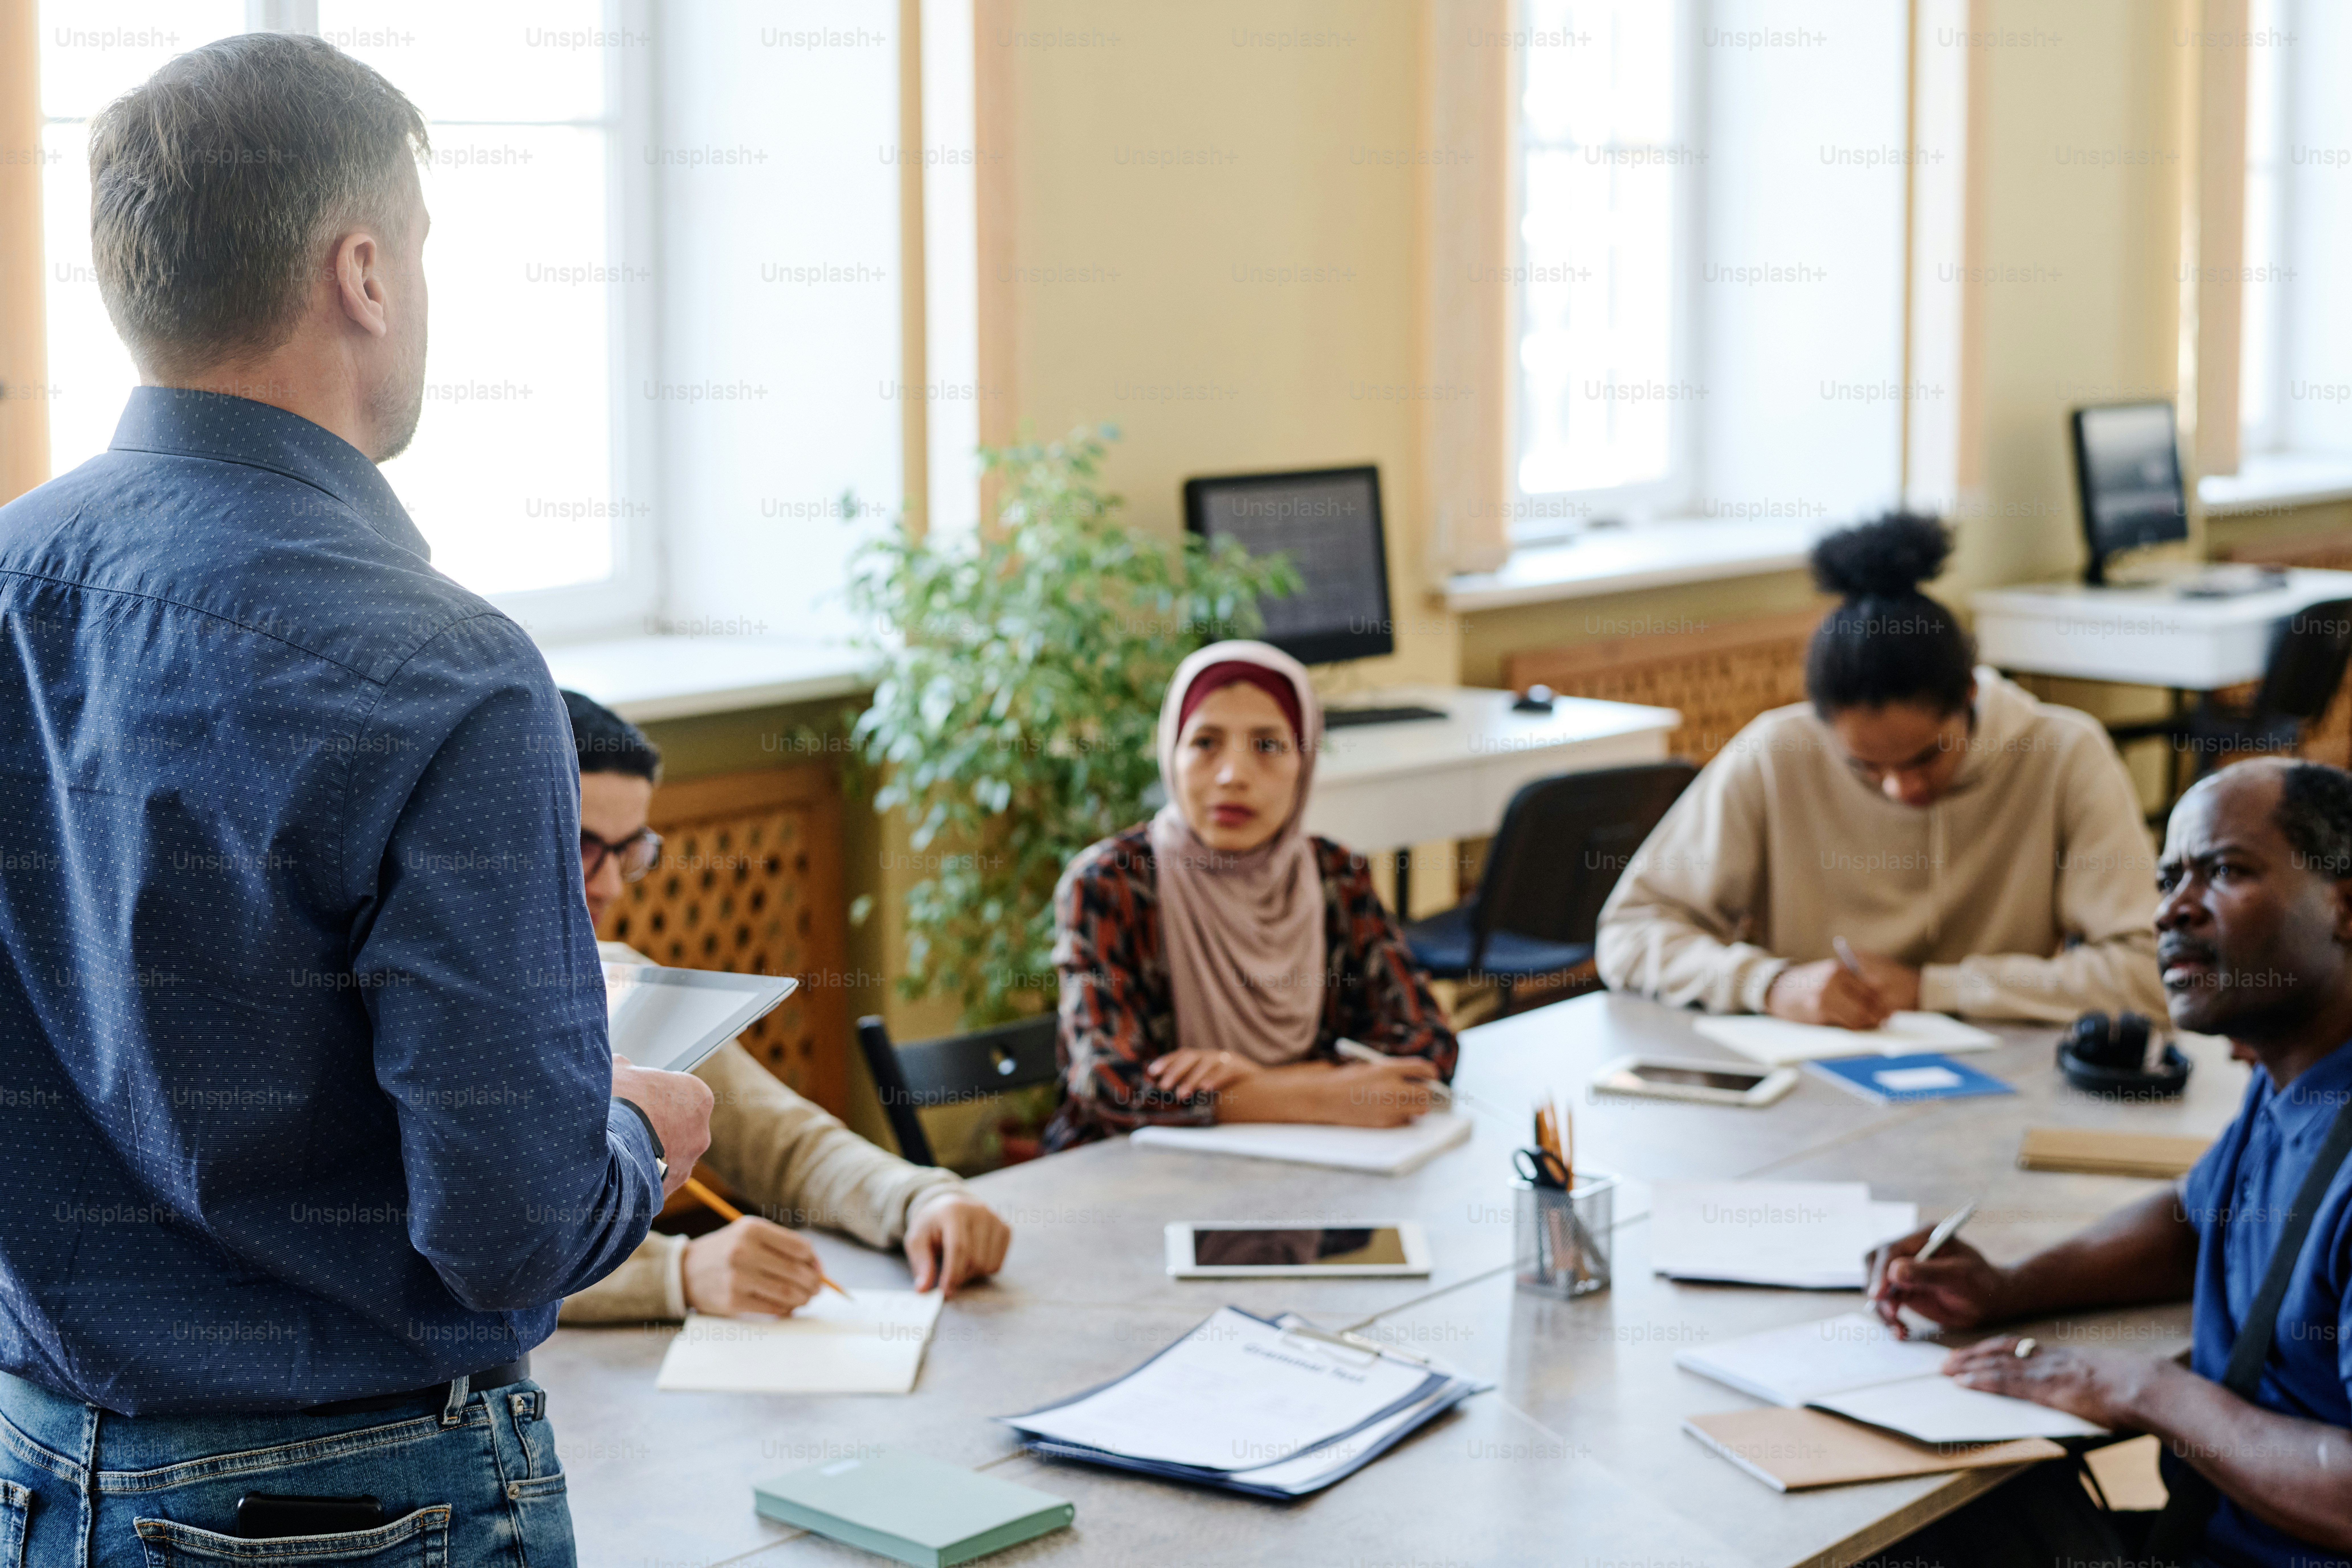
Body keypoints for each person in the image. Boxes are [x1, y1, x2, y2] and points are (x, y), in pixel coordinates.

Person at [0, 35, 712, 1565]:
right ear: (366, 273)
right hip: (363, 1500)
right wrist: (640, 1140)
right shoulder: (445, 669)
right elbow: (509, 1231)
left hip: (38, 1469)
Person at [1861, 758, 2352, 1566]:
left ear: (2345, 905)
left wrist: (2145, 1389)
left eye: (2224, 872)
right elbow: (2198, 1221)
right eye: (2169, 880)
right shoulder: (2292, 1078)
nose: (2172, 910)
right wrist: (2010, 1286)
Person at [1596, 511, 2166, 1027]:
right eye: (1866, 768)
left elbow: (2151, 974)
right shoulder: (1775, 754)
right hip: (1815, 1073)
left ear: (1969, 693)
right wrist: (1769, 984)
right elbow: (1630, 933)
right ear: (1823, 727)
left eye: (1927, 757)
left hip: (2009, 1075)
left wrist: (1935, 989)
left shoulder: (2064, 753)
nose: (1902, 787)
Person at [552, 692, 1010, 1320]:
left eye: (628, 850)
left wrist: (917, 1198)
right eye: (582, 844)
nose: (607, 884)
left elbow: (786, 1144)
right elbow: (466, 1250)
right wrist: (678, 1273)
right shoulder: (433, 1010)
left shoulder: (625, 979)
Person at [1045, 640, 1457, 1148]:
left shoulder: (1335, 874)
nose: (1233, 776)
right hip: (1134, 1181)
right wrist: (1321, 1096)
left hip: (1322, 1166)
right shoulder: (1110, 883)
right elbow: (1107, 1085)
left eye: (1267, 746)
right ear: (1171, 755)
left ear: (1303, 764)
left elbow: (1428, 1046)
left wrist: (1251, 1086)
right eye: (1205, 743)